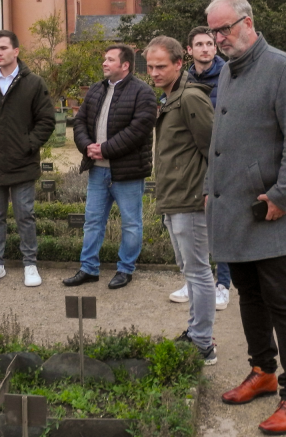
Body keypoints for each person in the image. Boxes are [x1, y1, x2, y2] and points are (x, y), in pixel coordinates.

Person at [205, 0, 286, 435]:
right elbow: (221, 139)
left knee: (283, 303)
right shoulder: (229, 72)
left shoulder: (282, 68)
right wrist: (211, 189)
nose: (218, 39)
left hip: (268, 211)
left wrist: (283, 196)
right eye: (213, 31)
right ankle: (263, 371)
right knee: (249, 296)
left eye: (224, 29)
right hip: (234, 207)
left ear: (248, 22)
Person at [145, 36, 217, 365]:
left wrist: (207, 190)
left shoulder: (190, 98)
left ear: (178, 64)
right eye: (150, 66)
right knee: (189, 271)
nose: (154, 72)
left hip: (189, 198)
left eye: (161, 66)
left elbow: (214, 148)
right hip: (174, 196)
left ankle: (203, 343)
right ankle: (195, 331)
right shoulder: (172, 96)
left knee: (199, 273)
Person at [64, 44, 156, 289]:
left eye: (110, 59)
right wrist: (87, 147)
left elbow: (138, 131)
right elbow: (80, 121)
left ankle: (125, 270)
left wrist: (105, 149)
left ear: (125, 65)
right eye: (104, 59)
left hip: (127, 172)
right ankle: (88, 268)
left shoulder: (143, 92)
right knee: (92, 221)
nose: (104, 63)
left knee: (131, 223)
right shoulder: (96, 89)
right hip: (97, 170)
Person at [0, 30, 55, 288]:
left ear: (16, 51)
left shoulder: (33, 83)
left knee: (25, 215)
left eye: (3, 48)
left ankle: (30, 264)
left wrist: (28, 145)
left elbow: (47, 121)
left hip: (22, 163)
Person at [170, 26, 230, 310]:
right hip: (190, 162)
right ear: (189, 50)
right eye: (199, 44)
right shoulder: (182, 80)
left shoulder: (230, 75)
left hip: (220, 157)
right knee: (191, 223)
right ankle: (193, 280)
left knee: (219, 225)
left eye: (209, 43)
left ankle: (223, 284)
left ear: (215, 48)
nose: (205, 48)